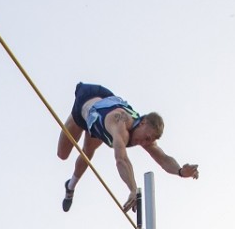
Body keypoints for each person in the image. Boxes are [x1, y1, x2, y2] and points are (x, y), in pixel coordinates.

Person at [57, 82, 198, 212]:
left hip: (104, 107)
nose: (144, 143)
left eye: (149, 141)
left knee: (88, 151)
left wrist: (180, 171)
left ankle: (70, 187)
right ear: (142, 123)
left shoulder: (145, 136)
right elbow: (121, 159)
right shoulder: (120, 124)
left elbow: (163, 159)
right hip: (85, 101)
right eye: (146, 137)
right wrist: (132, 189)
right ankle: (81, 119)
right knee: (62, 155)